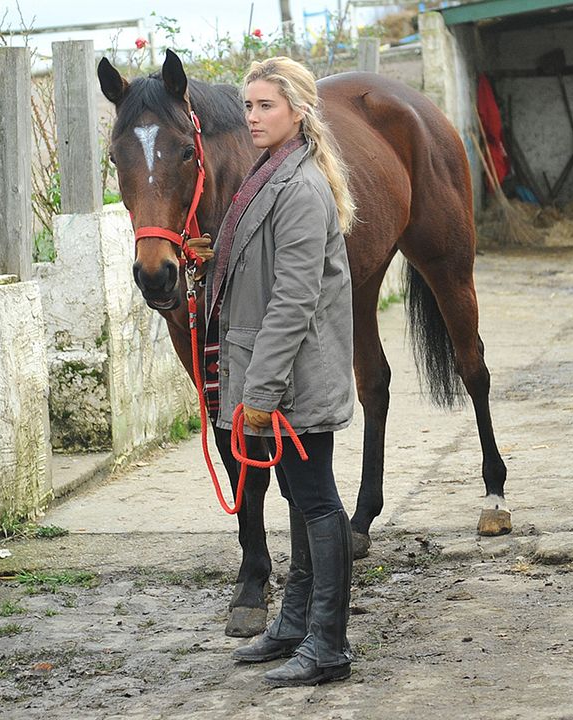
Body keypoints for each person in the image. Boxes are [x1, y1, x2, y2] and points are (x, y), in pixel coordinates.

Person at [204, 56, 357, 687]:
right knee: (299, 494)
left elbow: (293, 300)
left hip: (293, 376)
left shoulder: (299, 188)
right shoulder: (273, 173)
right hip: (278, 374)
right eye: (248, 106)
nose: (252, 117)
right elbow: (261, 264)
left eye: (266, 105)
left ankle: (329, 643)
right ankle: (296, 623)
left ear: (298, 110)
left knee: (317, 499)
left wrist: (260, 391)